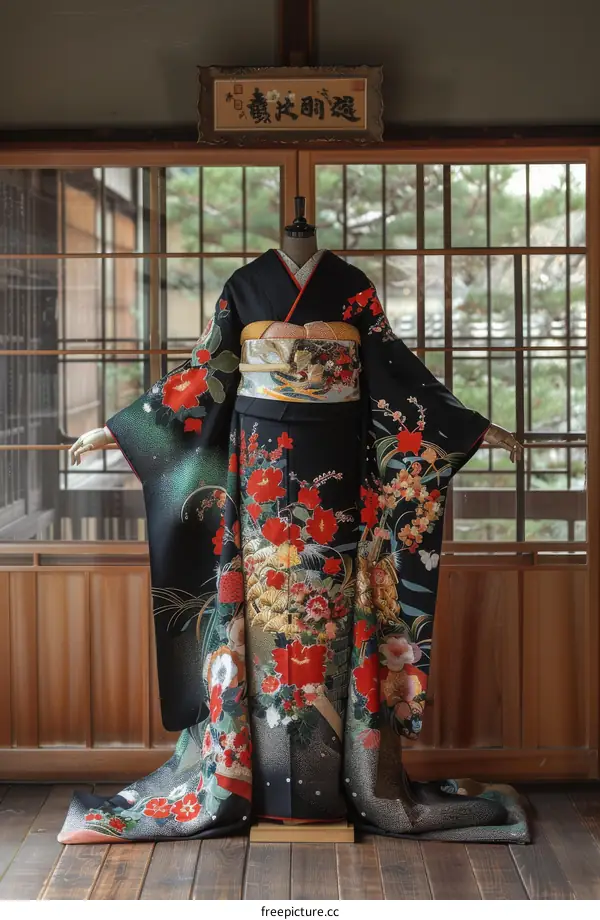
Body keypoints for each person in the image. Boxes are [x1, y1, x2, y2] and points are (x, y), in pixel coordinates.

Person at [58, 216, 528, 845]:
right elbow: (204, 373)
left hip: (336, 481)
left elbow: (394, 373)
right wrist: (122, 430)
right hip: (260, 478)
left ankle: (335, 781)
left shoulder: (353, 287)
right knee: (265, 617)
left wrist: (468, 427)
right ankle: (257, 779)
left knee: (331, 617)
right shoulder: (245, 286)